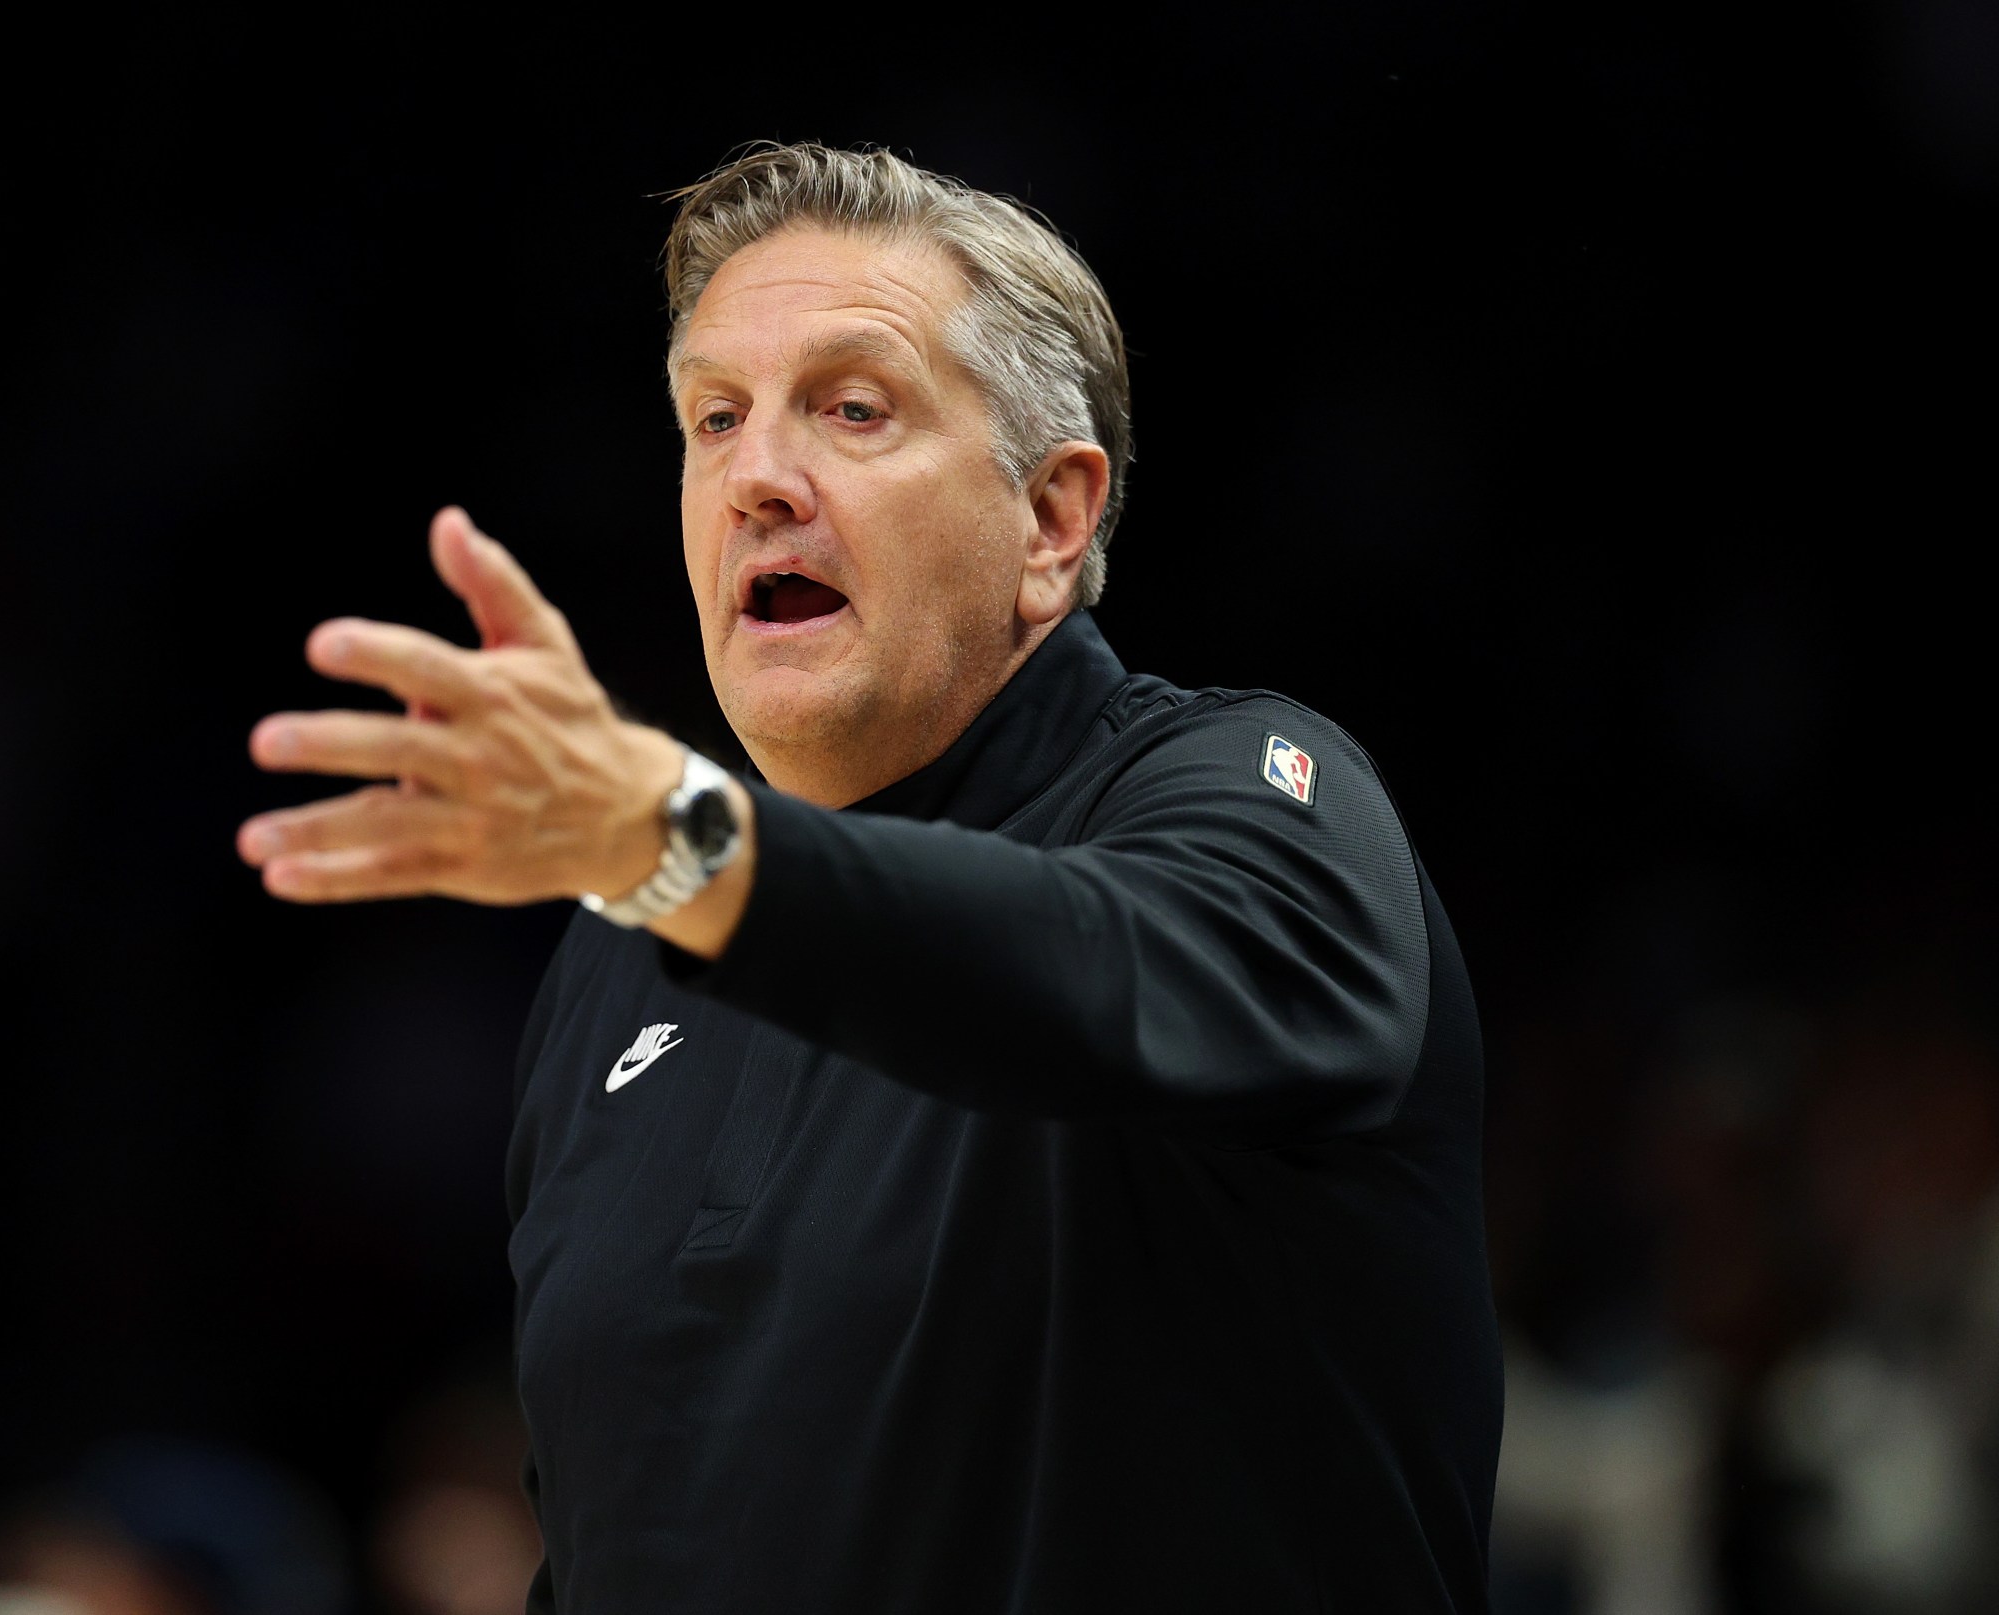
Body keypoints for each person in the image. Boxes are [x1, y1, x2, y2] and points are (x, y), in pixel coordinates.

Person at [238, 143, 1501, 1612]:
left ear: (1051, 520)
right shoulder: (621, 951)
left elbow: (1092, 969)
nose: (758, 477)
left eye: (852, 408)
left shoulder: (1253, 799)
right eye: (714, 418)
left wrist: (678, 842)